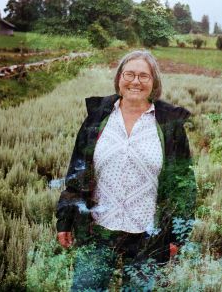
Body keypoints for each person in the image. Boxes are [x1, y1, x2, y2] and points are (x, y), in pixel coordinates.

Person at [55, 50, 197, 291]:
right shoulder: (98, 117)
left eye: (144, 76)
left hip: (147, 235)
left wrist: (177, 234)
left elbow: (183, 183)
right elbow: (77, 171)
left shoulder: (169, 125)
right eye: (129, 74)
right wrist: (65, 220)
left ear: (154, 83)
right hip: (98, 229)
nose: (135, 81)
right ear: (119, 78)